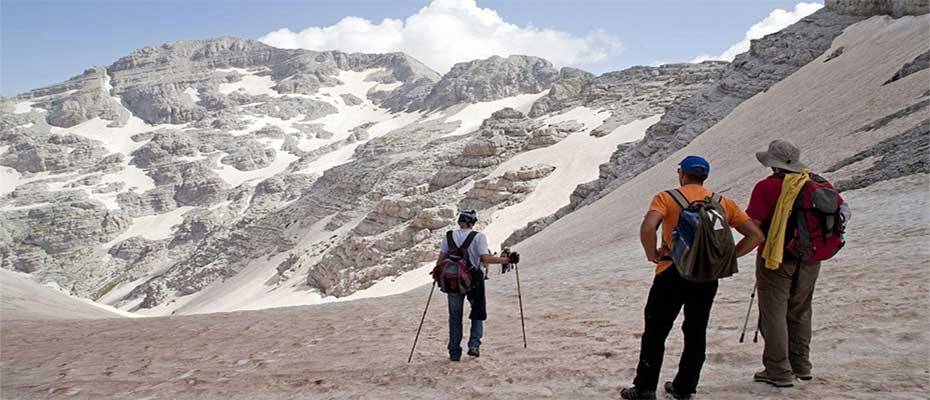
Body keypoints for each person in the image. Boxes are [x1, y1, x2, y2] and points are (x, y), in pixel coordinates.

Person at [621, 156, 764, 400]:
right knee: (696, 331)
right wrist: (727, 258)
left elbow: (648, 227)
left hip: (671, 272)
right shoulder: (722, 202)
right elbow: (755, 235)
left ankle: (645, 388)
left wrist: (652, 254)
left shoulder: (666, 198)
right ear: (704, 177)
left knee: (656, 331)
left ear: (682, 174)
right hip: (706, 276)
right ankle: (684, 388)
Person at [746, 139, 835, 387]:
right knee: (800, 309)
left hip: (776, 258)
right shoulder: (819, 183)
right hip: (810, 258)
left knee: (773, 313)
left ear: (773, 165)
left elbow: (753, 224)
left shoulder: (767, 187)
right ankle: (802, 366)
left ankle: (778, 370)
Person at [436, 210, 519, 362]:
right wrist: (507, 261)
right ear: (471, 223)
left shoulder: (448, 237)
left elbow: (441, 260)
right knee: (477, 311)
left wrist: (438, 276)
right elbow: (484, 258)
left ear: (460, 222)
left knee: (455, 316)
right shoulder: (478, 237)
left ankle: (454, 352)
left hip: (452, 281)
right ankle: (474, 345)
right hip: (474, 280)